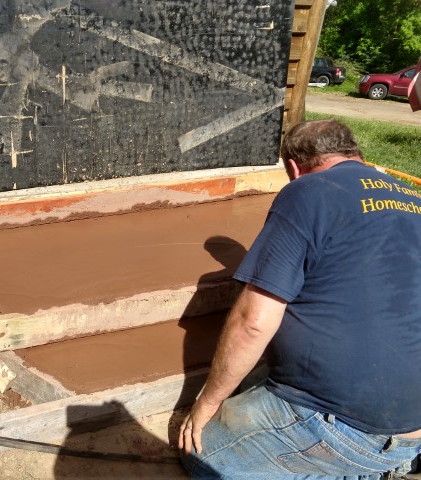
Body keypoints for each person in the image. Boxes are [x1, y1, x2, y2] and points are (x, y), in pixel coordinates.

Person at [178, 119, 421, 479]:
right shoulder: (413, 198)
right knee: (253, 380)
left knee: (203, 453)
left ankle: (351, 464)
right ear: (356, 154)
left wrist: (207, 403)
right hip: (412, 420)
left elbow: (252, 322)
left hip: (347, 427)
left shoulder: (308, 192)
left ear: (293, 167)